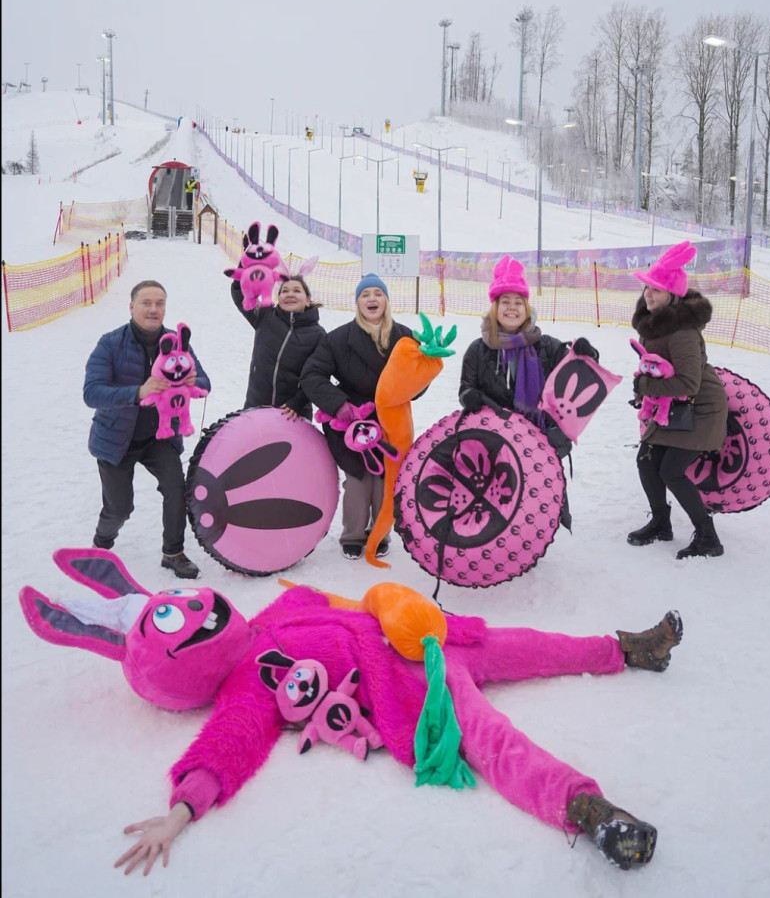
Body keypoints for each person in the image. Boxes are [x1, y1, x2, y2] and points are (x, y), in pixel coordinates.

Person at [104, 574, 683, 876]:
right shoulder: (244, 690)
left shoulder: (270, 618)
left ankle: (630, 649)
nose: (199, 605)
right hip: (419, 686)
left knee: (535, 645)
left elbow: (321, 597)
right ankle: (590, 810)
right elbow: (228, 745)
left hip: (435, 636)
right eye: (182, 620)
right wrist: (181, 811)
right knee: (493, 742)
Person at [458, 255, 599, 526]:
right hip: (494, 439)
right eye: (505, 302)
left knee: (534, 500)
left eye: (518, 302)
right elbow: (466, 388)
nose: (512, 308)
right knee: (498, 499)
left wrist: (587, 353)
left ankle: (530, 540)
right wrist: (470, 397)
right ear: (495, 307)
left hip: (538, 439)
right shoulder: (478, 349)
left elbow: (578, 373)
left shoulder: (546, 346)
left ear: (527, 307)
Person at [83, 280, 211, 578]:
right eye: (146, 303)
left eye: (160, 303)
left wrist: (195, 384)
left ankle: (173, 552)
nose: (154, 309)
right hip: (116, 438)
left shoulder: (178, 342)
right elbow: (92, 392)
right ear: (132, 307)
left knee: (177, 489)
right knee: (120, 509)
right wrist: (137, 393)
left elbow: (204, 382)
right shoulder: (110, 343)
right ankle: (102, 544)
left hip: (161, 436)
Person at [300, 274, 417, 560]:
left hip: (390, 417)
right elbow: (312, 375)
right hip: (351, 419)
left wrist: (405, 392)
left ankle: (380, 533)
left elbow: (417, 377)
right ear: (358, 302)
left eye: (378, 293)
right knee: (357, 475)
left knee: (384, 476)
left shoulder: (404, 337)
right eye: (366, 295)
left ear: (386, 300)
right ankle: (352, 535)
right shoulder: (338, 338)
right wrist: (339, 405)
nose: (372, 299)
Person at [627, 241, 728, 559]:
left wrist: (644, 385)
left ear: (673, 294)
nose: (648, 295)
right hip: (674, 407)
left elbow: (688, 381)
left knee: (671, 470)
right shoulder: (654, 324)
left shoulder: (683, 331)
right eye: (647, 288)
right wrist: (644, 385)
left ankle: (708, 538)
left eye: (655, 290)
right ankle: (660, 523)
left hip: (700, 409)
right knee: (646, 461)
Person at [230, 264, 325, 419]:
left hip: (293, 414)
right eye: (284, 291)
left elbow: (318, 376)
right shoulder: (265, 317)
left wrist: (298, 402)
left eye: (297, 290)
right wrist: (243, 272)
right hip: (256, 407)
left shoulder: (318, 335)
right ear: (278, 298)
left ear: (308, 300)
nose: (290, 294)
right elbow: (241, 295)